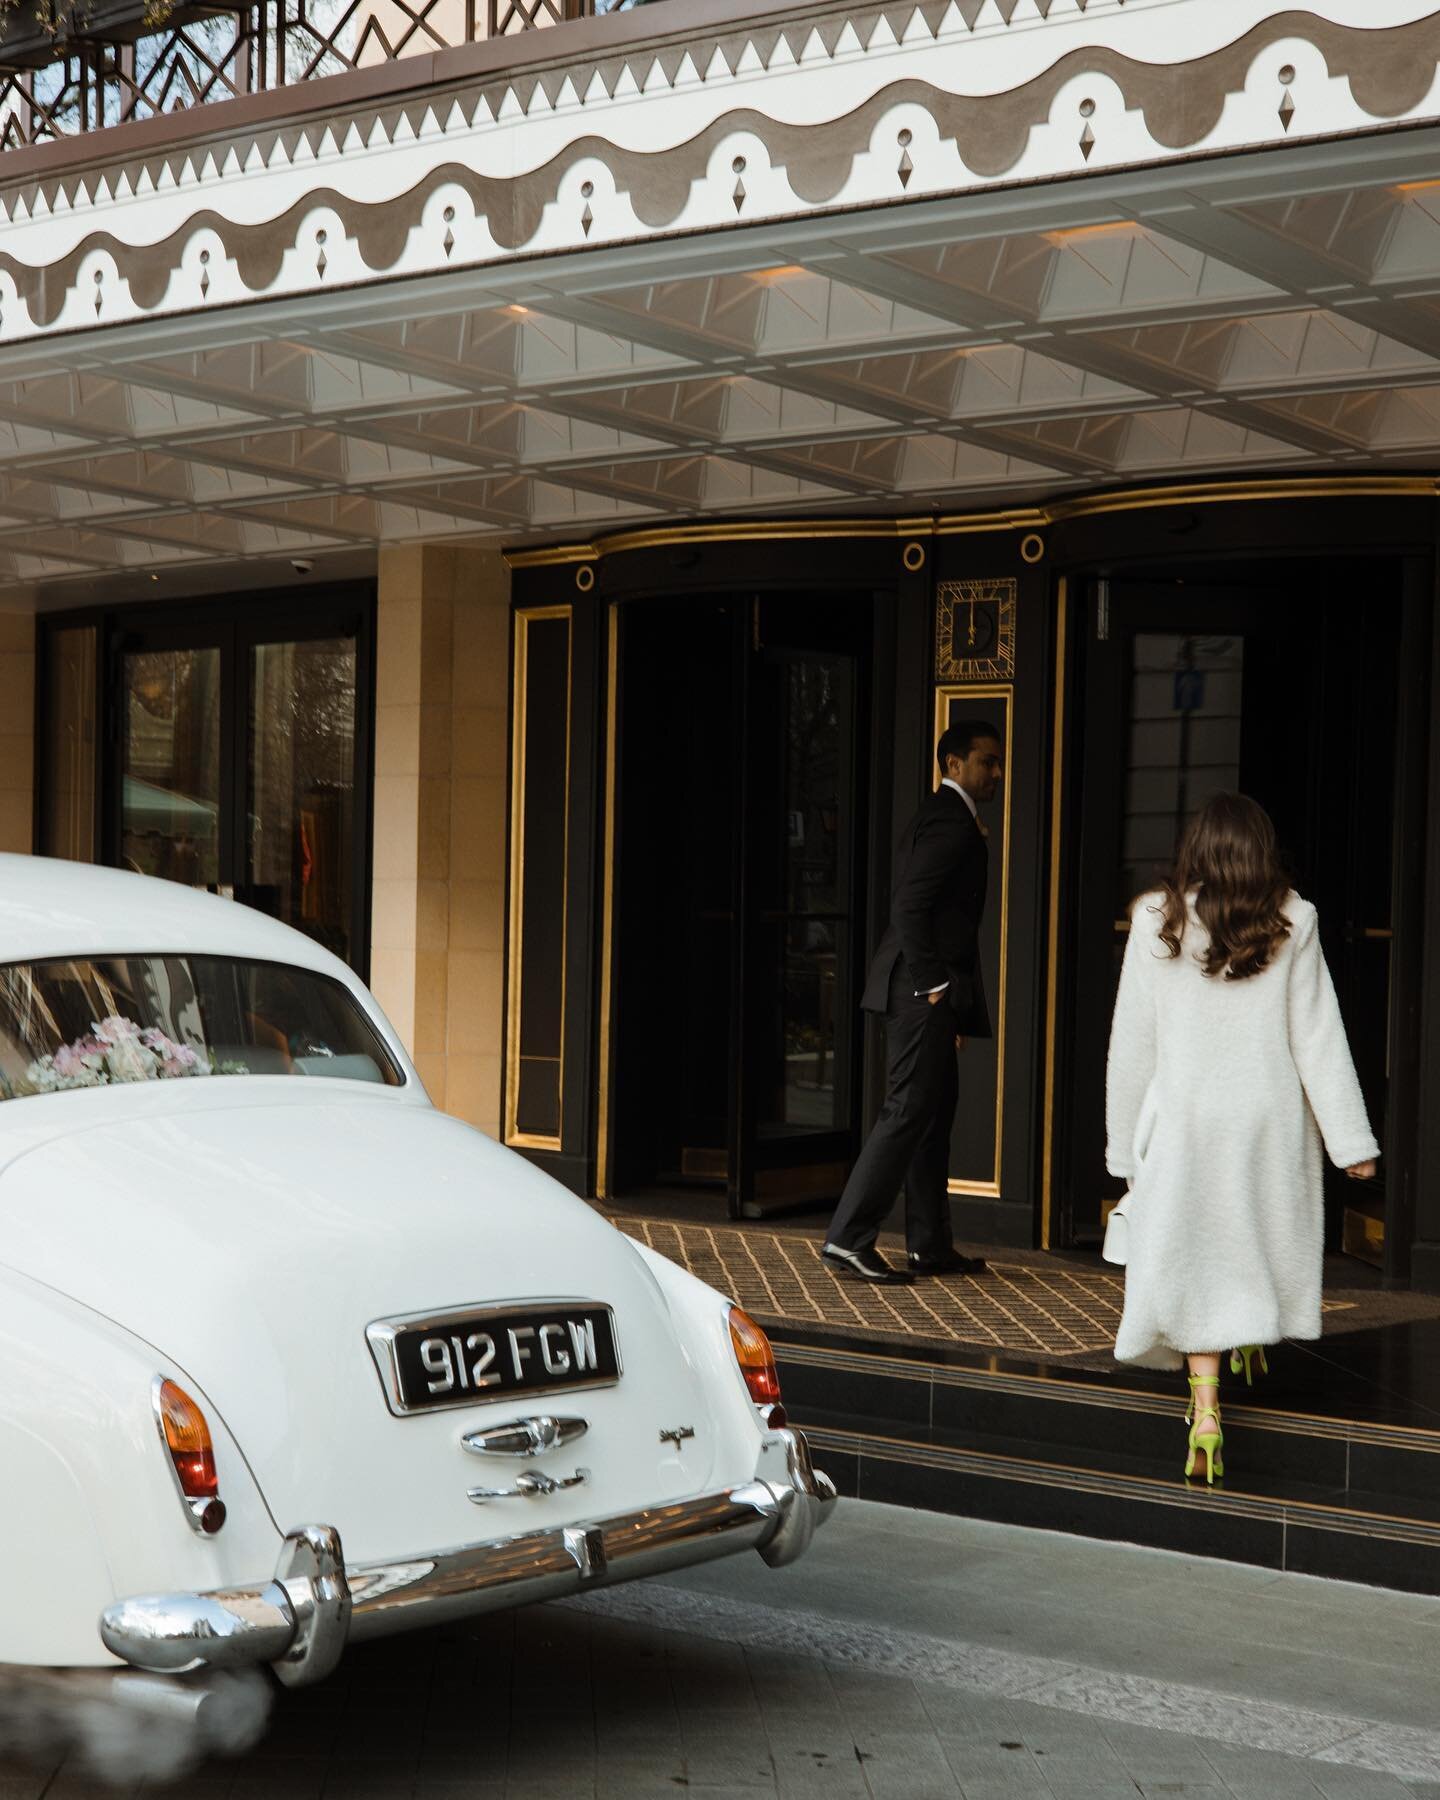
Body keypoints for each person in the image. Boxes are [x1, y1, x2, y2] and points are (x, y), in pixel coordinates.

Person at [1105, 792, 1379, 1483]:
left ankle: (1204, 1411)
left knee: (1196, 1257)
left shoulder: (1155, 921)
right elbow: (1317, 1036)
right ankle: (1249, 1336)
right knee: (1251, 1235)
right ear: (1263, 851)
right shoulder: (1294, 919)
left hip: (1186, 1118)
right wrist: (1351, 1142)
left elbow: (1132, 1045)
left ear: (1195, 849)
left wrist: (1119, 1148)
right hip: (1266, 1117)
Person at [822, 720, 1003, 1284]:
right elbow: (910, 908)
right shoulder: (950, 823)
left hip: (924, 991)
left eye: (998, 763)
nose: (996, 773)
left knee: (932, 1111)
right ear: (953, 765)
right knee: (907, 1109)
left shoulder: (945, 815)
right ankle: (849, 1238)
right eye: (985, 762)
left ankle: (928, 1245)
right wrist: (935, 989)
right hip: (921, 988)